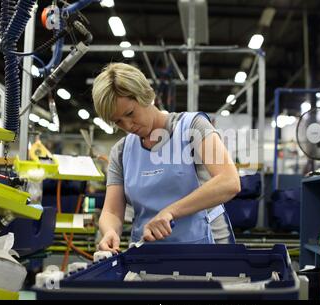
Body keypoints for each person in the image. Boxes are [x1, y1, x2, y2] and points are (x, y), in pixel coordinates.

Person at [92, 63, 240, 252]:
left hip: (204, 248)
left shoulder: (193, 127)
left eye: (130, 113)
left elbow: (229, 181)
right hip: (148, 252)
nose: (128, 125)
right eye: (118, 121)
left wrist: (171, 211)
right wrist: (110, 231)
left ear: (145, 96)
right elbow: (112, 210)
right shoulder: (122, 152)